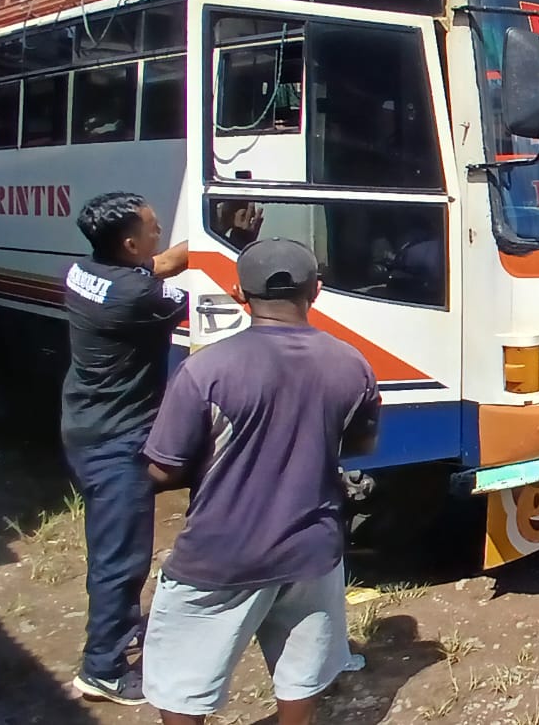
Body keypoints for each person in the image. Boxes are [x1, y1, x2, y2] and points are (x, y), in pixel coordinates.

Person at [141, 238, 379, 725]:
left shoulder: (204, 370)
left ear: (237, 293)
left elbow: (163, 469)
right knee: (300, 673)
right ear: (317, 290)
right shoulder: (352, 364)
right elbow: (359, 445)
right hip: (312, 548)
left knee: (183, 685)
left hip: (220, 552)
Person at [61, 192, 188, 706]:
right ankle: (103, 671)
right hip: (117, 441)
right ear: (130, 243)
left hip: (85, 424)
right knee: (120, 558)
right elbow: (198, 292)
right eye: (153, 227)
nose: (159, 234)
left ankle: (120, 627)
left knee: (111, 547)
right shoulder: (136, 297)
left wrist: (203, 236)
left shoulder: (82, 270)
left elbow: (162, 263)